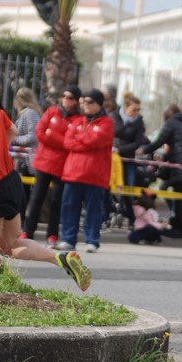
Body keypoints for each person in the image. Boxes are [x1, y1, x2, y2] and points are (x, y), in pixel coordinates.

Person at [0, 104, 91, 291]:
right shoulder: (0, 113)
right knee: (9, 246)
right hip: (11, 181)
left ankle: (4, 291)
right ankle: (59, 258)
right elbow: (12, 131)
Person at [19, 85, 82, 247]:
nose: (66, 100)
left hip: (62, 166)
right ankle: (28, 231)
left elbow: (71, 142)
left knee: (56, 201)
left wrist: (51, 135)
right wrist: (60, 140)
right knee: (36, 198)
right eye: (65, 96)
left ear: (76, 101)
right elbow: (40, 132)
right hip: (44, 162)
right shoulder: (52, 111)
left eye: (70, 97)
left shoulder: (78, 120)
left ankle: (52, 235)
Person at [56, 88, 113, 253]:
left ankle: (92, 240)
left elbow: (97, 140)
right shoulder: (77, 121)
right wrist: (83, 141)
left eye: (90, 102)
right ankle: (68, 239)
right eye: (83, 102)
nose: (85, 105)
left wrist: (78, 139)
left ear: (99, 104)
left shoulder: (106, 123)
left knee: (93, 209)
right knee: (69, 206)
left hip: (95, 174)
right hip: (73, 172)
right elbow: (67, 142)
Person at [137, 103, 182, 239]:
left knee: (175, 195)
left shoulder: (171, 123)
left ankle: (178, 226)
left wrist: (143, 150)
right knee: (178, 195)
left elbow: (160, 140)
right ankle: (177, 222)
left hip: (179, 164)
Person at [114, 92, 145, 227]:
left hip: (128, 158)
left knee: (128, 189)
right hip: (112, 157)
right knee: (110, 188)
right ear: (125, 107)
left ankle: (131, 219)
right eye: (134, 109)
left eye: (138, 110)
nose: (136, 112)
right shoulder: (115, 116)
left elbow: (137, 142)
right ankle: (109, 213)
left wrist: (121, 149)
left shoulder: (139, 122)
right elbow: (113, 132)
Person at [11, 87, 42, 223]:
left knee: (25, 192)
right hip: (25, 159)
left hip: (29, 160)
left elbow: (32, 136)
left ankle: (23, 220)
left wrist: (14, 140)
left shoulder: (29, 114)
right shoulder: (29, 113)